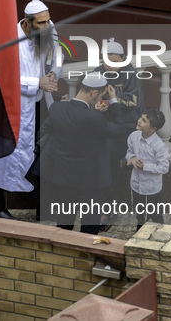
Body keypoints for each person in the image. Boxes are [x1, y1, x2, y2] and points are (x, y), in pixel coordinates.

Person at [0, 0, 62, 220]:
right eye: (42, 23)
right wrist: (36, 82)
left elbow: (58, 53)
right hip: (12, 108)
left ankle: (42, 207)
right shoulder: (7, 41)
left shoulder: (47, 27)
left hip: (39, 104)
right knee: (2, 156)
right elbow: (1, 78)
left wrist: (52, 74)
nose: (48, 26)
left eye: (49, 21)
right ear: (28, 23)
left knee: (43, 153)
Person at [39, 74, 125, 234]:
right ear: (93, 93)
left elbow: (43, 132)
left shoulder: (57, 108)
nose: (100, 98)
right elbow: (120, 130)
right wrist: (113, 101)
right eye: (101, 96)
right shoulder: (94, 118)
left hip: (63, 177)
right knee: (90, 225)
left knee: (64, 223)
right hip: (90, 182)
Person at [94, 38, 145, 232]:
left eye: (116, 61)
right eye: (108, 61)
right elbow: (90, 95)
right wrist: (99, 103)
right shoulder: (98, 73)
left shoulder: (130, 73)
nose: (112, 65)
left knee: (108, 158)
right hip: (104, 122)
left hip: (127, 125)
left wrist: (114, 97)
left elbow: (135, 101)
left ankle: (109, 207)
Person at [126, 109, 170, 228]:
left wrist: (145, 166)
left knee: (155, 216)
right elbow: (129, 151)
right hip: (136, 185)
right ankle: (141, 230)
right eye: (141, 118)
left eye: (144, 121)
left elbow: (164, 167)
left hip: (151, 188)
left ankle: (158, 235)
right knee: (140, 214)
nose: (139, 121)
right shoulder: (134, 136)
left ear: (152, 129)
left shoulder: (159, 146)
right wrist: (132, 157)